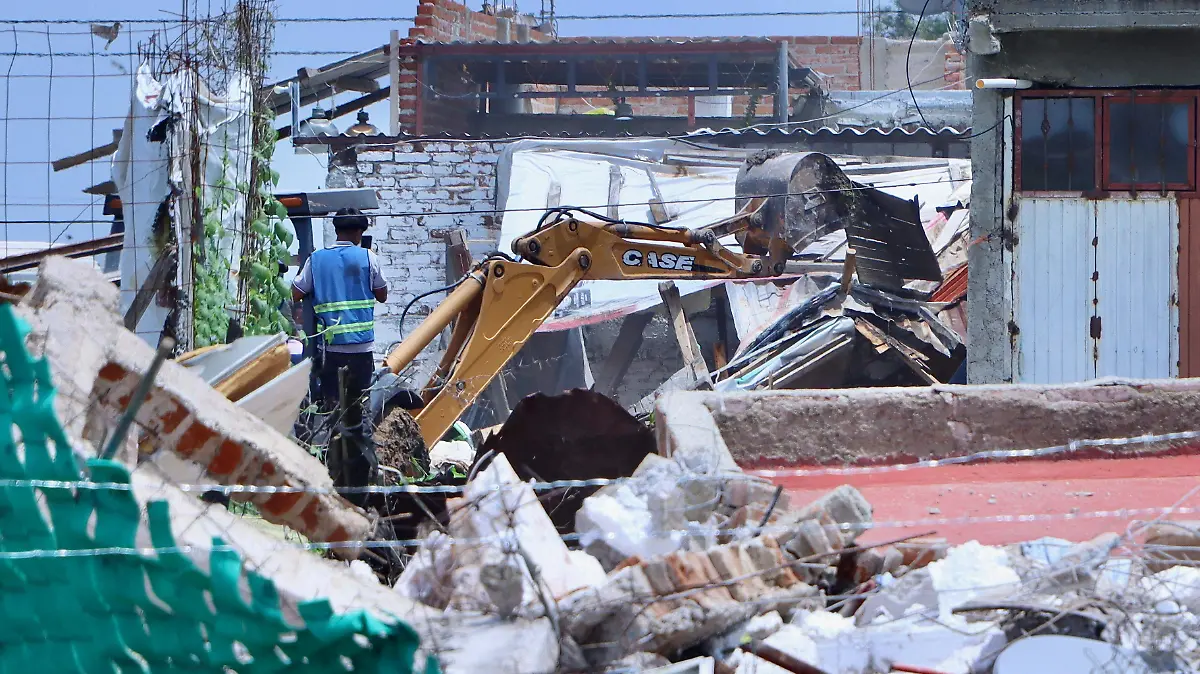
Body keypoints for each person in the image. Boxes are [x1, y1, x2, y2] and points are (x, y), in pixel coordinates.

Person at [291, 208, 387, 467]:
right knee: (360, 408)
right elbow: (382, 294)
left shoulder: (316, 259)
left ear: (336, 230)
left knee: (333, 408)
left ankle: (332, 462)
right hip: (361, 349)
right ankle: (362, 465)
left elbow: (296, 292)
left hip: (331, 349)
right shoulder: (368, 257)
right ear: (359, 232)